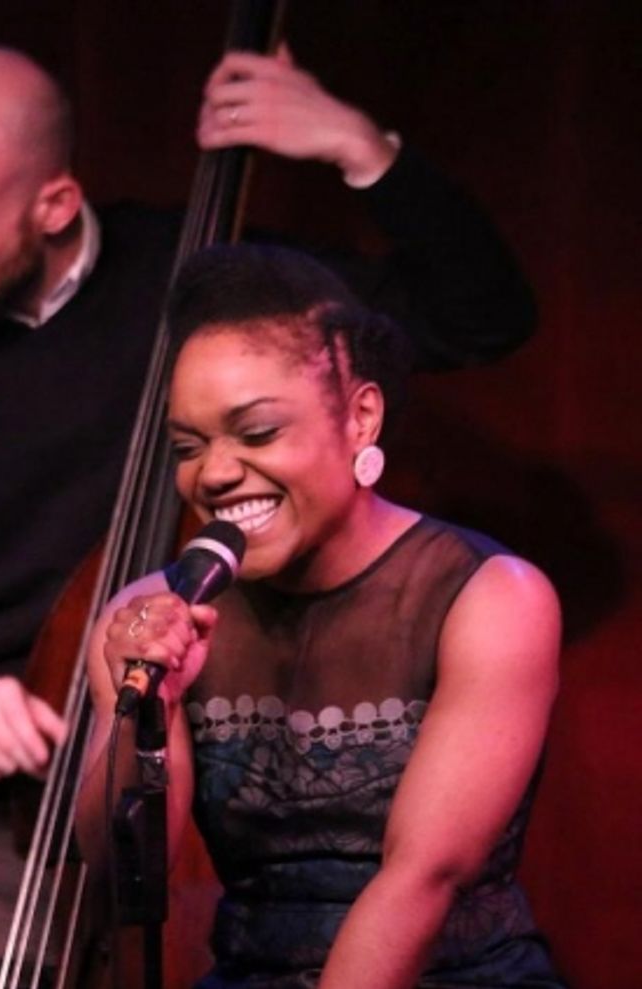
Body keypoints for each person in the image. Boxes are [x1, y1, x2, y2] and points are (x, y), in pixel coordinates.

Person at [0, 45, 536, 954]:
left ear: (56, 205)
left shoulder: (204, 282)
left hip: (195, 810)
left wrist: (357, 146)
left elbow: (481, 314)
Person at [77, 243, 563, 987]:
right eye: (188, 445)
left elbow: (420, 881)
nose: (214, 472)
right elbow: (114, 879)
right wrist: (146, 715)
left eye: (258, 432)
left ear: (361, 416)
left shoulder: (491, 596)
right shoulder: (153, 613)